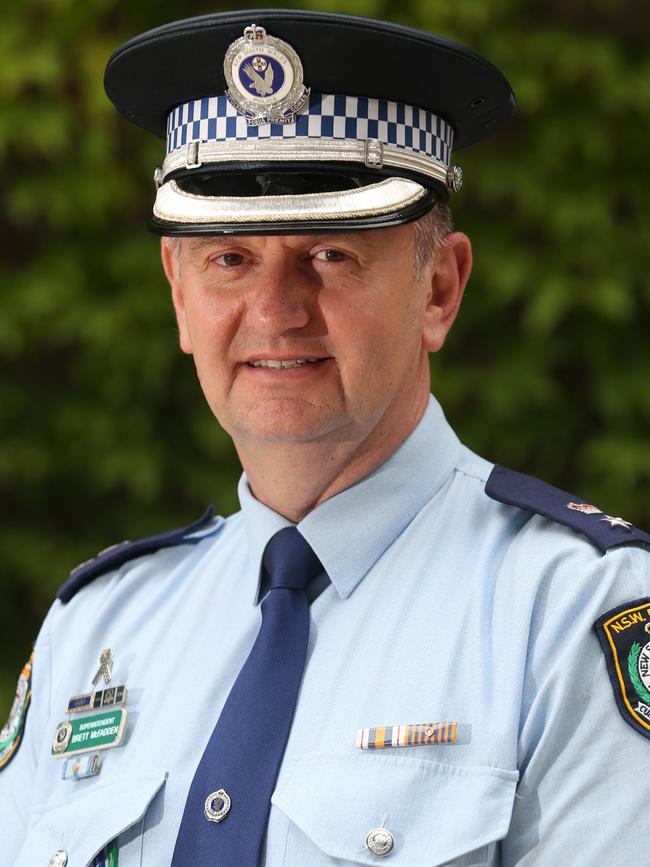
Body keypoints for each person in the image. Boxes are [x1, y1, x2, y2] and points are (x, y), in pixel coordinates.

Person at [1, 9, 649, 867]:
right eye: (229, 259)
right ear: (178, 294)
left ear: (440, 289)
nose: (275, 310)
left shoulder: (572, 617)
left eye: (332, 255)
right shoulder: (95, 631)